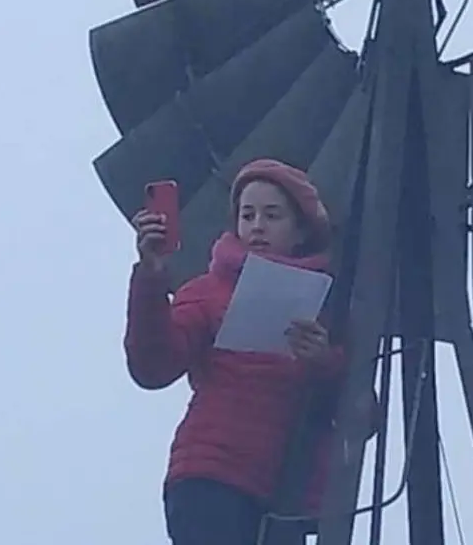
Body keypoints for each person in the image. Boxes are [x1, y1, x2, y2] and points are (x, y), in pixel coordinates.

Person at [124, 158, 372, 545]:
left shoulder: (328, 309)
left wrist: (325, 361)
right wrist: (152, 275)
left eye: (272, 215)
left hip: (284, 491)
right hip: (211, 477)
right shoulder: (207, 290)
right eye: (248, 214)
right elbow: (152, 366)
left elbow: (361, 415)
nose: (256, 226)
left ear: (301, 229)